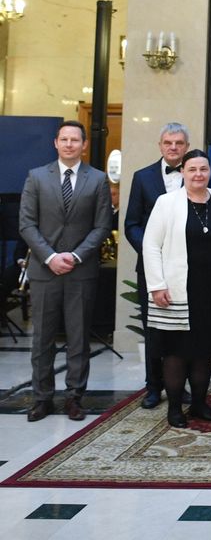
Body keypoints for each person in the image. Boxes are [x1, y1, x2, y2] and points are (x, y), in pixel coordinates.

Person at [19, 121, 112, 422]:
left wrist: (74, 256)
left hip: (80, 270)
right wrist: (49, 257)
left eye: (75, 140)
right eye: (64, 139)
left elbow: (102, 226)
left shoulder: (97, 179)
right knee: (42, 339)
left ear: (84, 145)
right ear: (55, 143)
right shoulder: (36, 178)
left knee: (78, 336)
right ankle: (42, 398)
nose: (70, 144)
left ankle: (75, 397)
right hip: (45, 271)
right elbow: (27, 224)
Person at [142, 150, 211, 428]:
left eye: (204, 169)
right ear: (183, 172)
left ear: (210, 172)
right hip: (176, 290)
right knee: (176, 351)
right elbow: (150, 245)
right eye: (193, 169)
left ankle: (199, 403)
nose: (198, 174)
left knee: (204, 350)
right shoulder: (167, 202)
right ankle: (174, 408)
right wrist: (157, 285)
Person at [124, 121, 190, 409]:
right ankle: (153, 387)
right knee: (153, 329)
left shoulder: (197, 173)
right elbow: (131, 224)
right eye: (168, 143)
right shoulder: (142, 177)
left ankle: (181, 385)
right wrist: (154, 254)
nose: (173, 147)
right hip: (151, 268)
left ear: (186, 147)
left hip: (188, 268)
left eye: (178, 143)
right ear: (160, 145)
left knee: (184, 329)